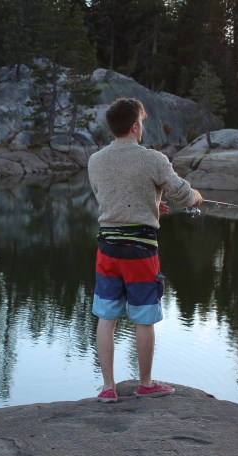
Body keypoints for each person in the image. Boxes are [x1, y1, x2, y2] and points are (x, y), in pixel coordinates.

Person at [87, 97, 203, 403]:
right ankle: (146, 383)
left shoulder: (95, 160)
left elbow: (106, 197)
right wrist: (195, 197)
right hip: (140, 252)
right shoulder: (154, 159)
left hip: (107, 250)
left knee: (106, 318)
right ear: (135, 127)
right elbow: (182, 193)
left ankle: (108, 388)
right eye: (141, 122)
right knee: (144, 318)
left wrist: (151, 204)